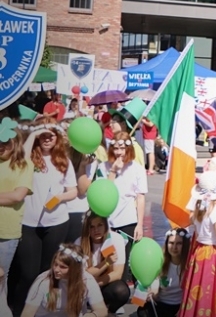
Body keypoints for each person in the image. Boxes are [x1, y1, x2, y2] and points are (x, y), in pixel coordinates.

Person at [11, 119, 77, 316]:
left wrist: (60, 197)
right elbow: (21, 155)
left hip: (56, 223)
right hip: (28, 223)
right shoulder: (28, 158)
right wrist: (35, 132)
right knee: (28, 273)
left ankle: (45, 310)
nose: (47, 139)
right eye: (43, 135)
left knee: (49, 273)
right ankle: (19, 310)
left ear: (57, 138)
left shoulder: (63, 160)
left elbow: (73, 191)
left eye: (51, 135)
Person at [94, 131, 148, 283]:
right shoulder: (103, 167)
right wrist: (113, 171)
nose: (119, 152)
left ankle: (121, 290)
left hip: (127, 221)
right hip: (106, 223)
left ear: (128, 149)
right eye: (116, 148)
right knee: (107, 260)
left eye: (122, 148)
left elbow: (140, 197)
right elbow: (103, 193)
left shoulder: (137, 169)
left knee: (123, 262)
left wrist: (140, 224)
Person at [180, 171, 216, 317]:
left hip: (199, 252)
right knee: (213, 289)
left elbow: (193, 222)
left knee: (199, 288)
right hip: (215, 255)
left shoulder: (199, 209)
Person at [0, 117, 33, 316]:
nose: (1, 146)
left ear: (15, 141)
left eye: (5, 141)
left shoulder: (24, 165)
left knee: (1, 278)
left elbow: (17, 195)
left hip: (7, 231)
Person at [20, 243, 107, 317]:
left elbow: (102, 310)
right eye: (55, 264)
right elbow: (27, 314)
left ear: (74, 269)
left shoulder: (86, 279)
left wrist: (91, 315)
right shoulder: (43, 280)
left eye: (63, 267)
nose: (56, 269)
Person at [75, 211, 130, 313]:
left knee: (121, 291)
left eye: (99, 225)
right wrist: (106, 263)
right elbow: (84, 275)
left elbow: (117, 274)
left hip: (104, 284)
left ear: (105, 225)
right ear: (87, 228)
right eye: (92, 227)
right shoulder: (79, 242)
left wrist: (95, 286)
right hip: (85, 285)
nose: (96, 230)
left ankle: (108, 311)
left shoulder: (116, 239)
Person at [136, 228, 187, 317]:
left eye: (179, 243)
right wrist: (152, 292)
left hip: (182, 307)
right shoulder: (159, 260)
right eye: (171, 243)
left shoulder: (190, 264)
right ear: (166, 244)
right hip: (161, 305)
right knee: (143, 311)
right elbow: (155, 284)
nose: (174, 247)